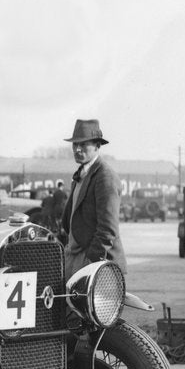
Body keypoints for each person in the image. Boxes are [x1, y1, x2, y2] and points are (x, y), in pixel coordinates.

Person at [59, 119, 126, 277]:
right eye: (75, 144)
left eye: (83, 144)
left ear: (97, 146)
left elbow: (108, 229)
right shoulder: (82, 174)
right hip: (75, 256)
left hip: (96, 262)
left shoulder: (105, 177)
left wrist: (91, 261)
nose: (77, 149)